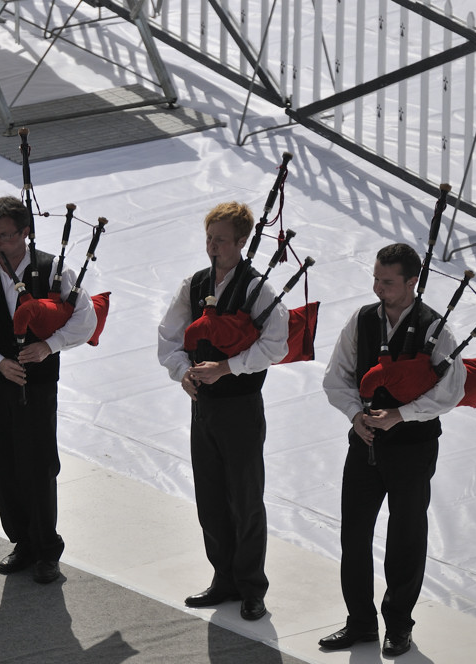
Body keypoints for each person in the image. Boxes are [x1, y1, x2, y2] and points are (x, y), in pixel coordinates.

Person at [319, 243, 466, 657]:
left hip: (412, 450)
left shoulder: (435, 328)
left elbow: (450, 391)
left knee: (406, 536)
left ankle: (398, 625)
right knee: (355, 533)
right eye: (376, 278)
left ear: (411, 281)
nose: (378, 287)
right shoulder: (363, 320)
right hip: (364, 444)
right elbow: (337, 377)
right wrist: (354, 415)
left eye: (387, 281)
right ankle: (360, 622)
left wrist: (402, 415)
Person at [0, 196, 97, 584]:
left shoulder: (52, 270)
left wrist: (49, 346)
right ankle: (22, 541)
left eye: (5, 236)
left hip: (37, 386)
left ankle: (47, 548)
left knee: (38, 465)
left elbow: (86, 318)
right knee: (4, 463)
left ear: (25, 233)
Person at [157, 202, 288, 621]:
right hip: (204, 407)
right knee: (210, 494)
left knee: (246, 497)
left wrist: (228, 367)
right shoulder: (194, 285)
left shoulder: (257, 289)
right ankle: (224, 577)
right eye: (209, 237)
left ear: (242, 242)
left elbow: (276, 345)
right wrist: (183, 372)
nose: (213, 247)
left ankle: (251, 587)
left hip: (241, 406)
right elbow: (169, 336)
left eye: (222, 240)